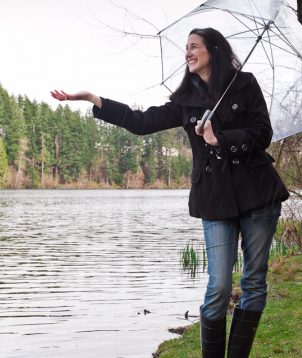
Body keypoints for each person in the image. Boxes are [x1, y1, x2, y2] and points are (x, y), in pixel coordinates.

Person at [51, 27, 289, 358]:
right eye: (186, 48)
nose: (188, 52)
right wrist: (95, 100)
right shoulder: (184, 101)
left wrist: (221, 138)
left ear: (214, 51)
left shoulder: (244, 84)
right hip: (214, 199)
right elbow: (140, 122)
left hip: (258, 194)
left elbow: (262, 133)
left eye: (195, 46)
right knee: (219, 287)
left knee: (254, 284)